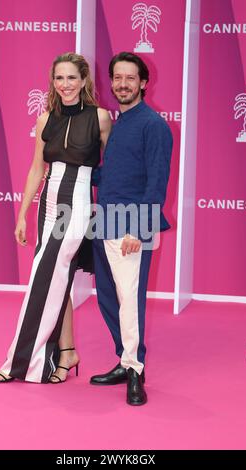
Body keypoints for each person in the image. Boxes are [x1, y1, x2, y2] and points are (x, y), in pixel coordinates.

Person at [0, 52, 111, 384]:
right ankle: (67, 352)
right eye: (59, 78)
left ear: (84, 81)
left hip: (78, 204)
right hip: (48, 202)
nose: (65, 84)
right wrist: (22, 214)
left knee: (45, 277)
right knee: (59, 278)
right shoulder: (46, 119)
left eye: (72, 77)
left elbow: (112, 169)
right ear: (52, 82)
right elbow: (35, 169)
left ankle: (21, 360)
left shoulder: (100, 118)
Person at [90, 52, 173, 405]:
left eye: (130, 78)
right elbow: (111, 175)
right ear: (112, 82)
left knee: (130, 303)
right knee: (109, 298)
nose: (123, 84)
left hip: (130, 230)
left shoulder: (154, 125)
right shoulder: (119, 121)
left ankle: (135, 371)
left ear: (143, 82)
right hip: (103, 222)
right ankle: (124, 361)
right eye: (118, 78)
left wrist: (138, 230)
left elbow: (156, 184)